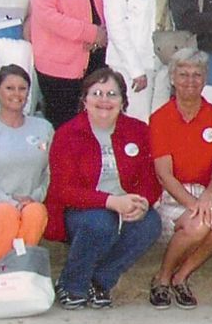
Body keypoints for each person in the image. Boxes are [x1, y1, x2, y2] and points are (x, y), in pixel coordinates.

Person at [44, 65, 161, 310]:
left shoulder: (138, 131)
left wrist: (142, 202)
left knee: (150, 224)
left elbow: (151, 179)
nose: (104, 100)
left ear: (123, 101)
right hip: (82, 209)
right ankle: (72, 285)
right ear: (84, 100)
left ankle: (99, 282)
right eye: (97, 93)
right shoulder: (68, 134)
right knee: (100, 222)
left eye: (112, 94)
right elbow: (63, 190)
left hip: (125, 203)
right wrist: (110, 201)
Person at [145, 49, 212, 308]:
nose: (190, 81)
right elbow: (164, 174)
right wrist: (193, 205)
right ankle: (161, 279)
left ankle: (181, 277)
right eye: (183, 74)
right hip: (173, 194)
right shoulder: (160, 118)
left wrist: (207, 198)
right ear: (172, 78)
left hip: (207, 192)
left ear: (205, 78)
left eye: (197, 75)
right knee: (198, 225)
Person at [0, 64, 53, 264]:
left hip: (30, 204)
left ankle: (22, 271)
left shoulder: (44, 128)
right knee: (6, 214)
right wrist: (13, 203)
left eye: (22, 88)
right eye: (9, 88)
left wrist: (33, 198)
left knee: (36, 212)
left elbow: (48, 174)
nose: (16, 94)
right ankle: (0, 272)